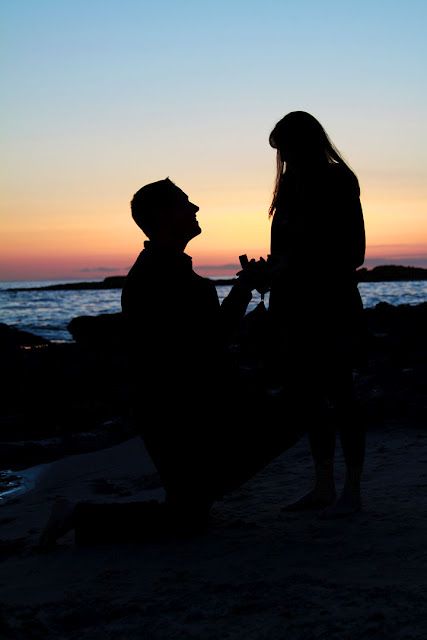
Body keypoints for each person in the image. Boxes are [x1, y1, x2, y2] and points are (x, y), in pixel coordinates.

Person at [39, 178, 301, 547]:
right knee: (187, 516)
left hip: (188, 405)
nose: (194, 209)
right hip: (174, 412)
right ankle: (74, 514)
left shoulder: (174, 272)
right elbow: (202, 344)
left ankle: (197, 487)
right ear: (163, 216)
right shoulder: (156, 277)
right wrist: (244, 293)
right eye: (185, 203)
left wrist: (244, 290)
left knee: (191, 511)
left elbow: (207, 339)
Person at [265, 111, 366, 517]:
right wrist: (270, 271)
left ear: (305, 144)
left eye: (286, 150)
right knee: (309, 398)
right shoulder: (288, 185)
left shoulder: (339, 179)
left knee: (342, 395)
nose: (283, 161)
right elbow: (282, 251)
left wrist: (295, 265)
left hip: (333, 302)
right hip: (293, 305)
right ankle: (323, 485)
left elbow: (353, 252)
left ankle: (353, 490)